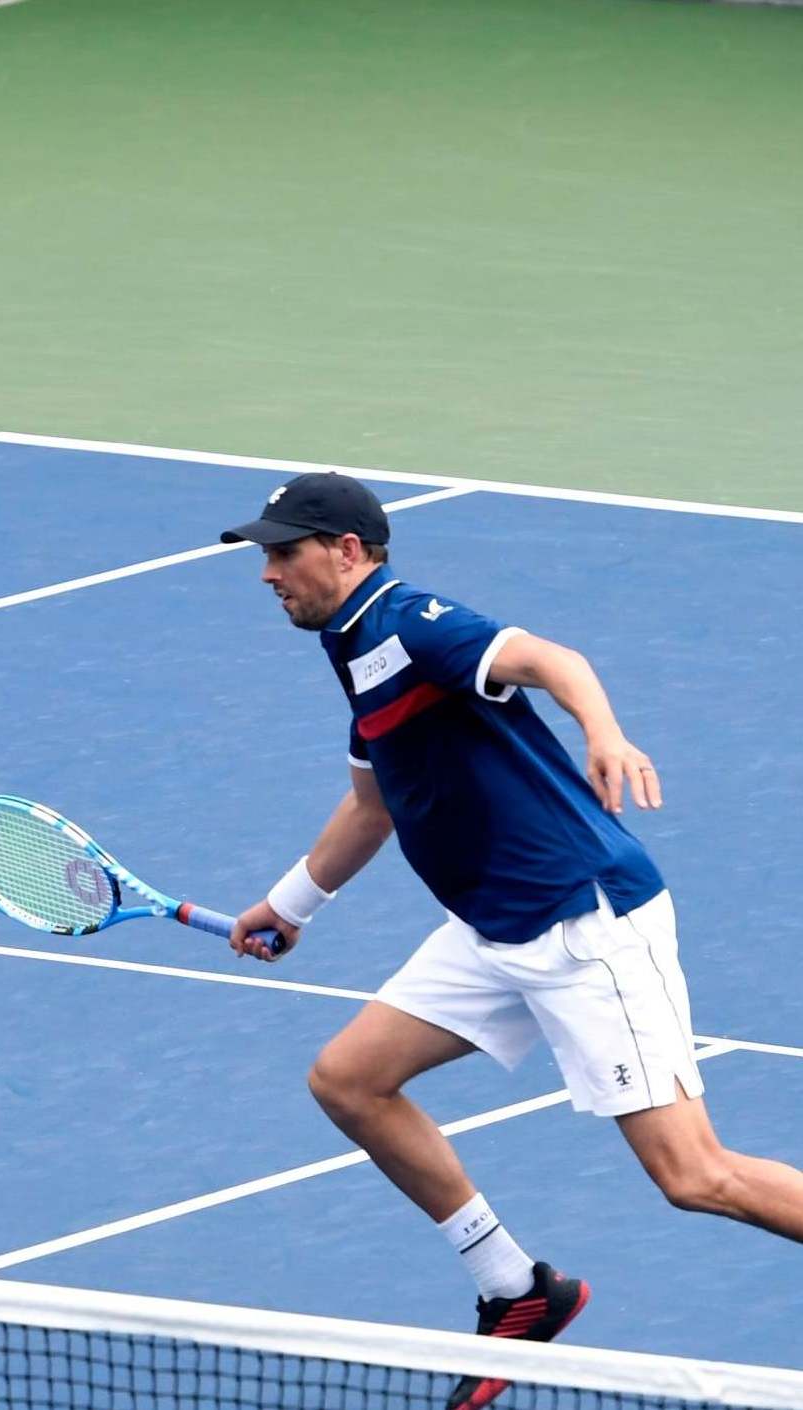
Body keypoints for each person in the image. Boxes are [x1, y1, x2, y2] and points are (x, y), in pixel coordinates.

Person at [220, 473, 803, 1409]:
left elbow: (552, 658)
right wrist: (290, 905)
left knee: (697, 1176)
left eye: (284, 552)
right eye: (265, 554)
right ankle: (517, 1291)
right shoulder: (351, 645)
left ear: (348, 551)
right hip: (494, 925)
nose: (267, 572)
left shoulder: (412, 622)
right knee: (350, 1080)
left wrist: (604, 734)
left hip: (583, 921)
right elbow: (374, 800)